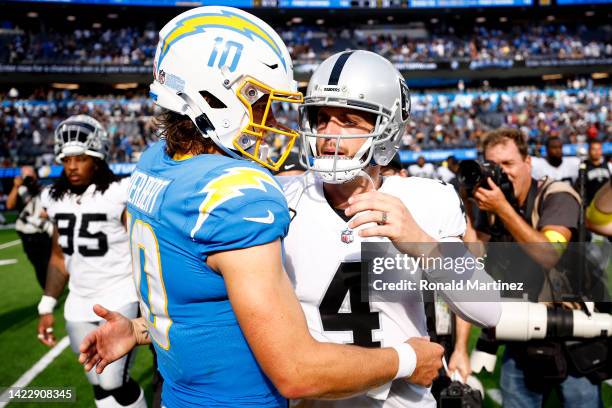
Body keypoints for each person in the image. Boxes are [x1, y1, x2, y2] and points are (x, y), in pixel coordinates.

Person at [78, 7, 445, 408]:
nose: (269, 117)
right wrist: (409, 359)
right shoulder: (254, 194)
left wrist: (142, 328)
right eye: (259, 100)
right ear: (214, 95)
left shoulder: (154, 164)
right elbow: (297, 372)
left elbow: (206, 300)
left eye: (349, 120)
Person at [283, 50, 501, 407]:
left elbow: (487, 309)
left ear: (386, 129)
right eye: (321, 118)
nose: (327, 135)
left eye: (348, 120)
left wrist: (423, 244)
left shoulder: (427, 199)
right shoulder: (281, 200)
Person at [466, 128, 601, 408]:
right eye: (493, 166)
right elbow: (473, 256)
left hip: (573, 334)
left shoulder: (557, 195)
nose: (501, 173)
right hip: (521, 331)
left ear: (528, 163)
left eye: (508, 164)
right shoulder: (492, 205)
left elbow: (549, 253)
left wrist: (504, 209)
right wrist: (467, 205)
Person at [36, 115, 146, 408]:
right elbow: (59, 257)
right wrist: (47, 305)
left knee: (114, 381)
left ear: (97, 159)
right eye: (67, 158)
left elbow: (142, 247)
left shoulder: (118, 192)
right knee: (97, 381)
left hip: (119, 294)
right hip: (79, 300)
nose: (72, 166)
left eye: (80, 158)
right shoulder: (55, 198)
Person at [6, 165, 53, 289]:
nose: (28, 178)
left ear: (35, 174)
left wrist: (48, 212)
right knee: (39, 264)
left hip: (43, 231)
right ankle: (48, 290)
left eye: (30, 174)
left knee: (50, 261)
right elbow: (9, 205)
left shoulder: (43, 189)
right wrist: (16, 186)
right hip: (27, 232)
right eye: (25, 175)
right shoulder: (20, 190)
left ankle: (52, 286)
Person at [583, 139, 610, 206]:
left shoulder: (609, 165)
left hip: (607, 205)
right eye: (594, 149)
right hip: (591, 205)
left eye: (599, 149)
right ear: (589, 151)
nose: (596, 152)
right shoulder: (583, 166)